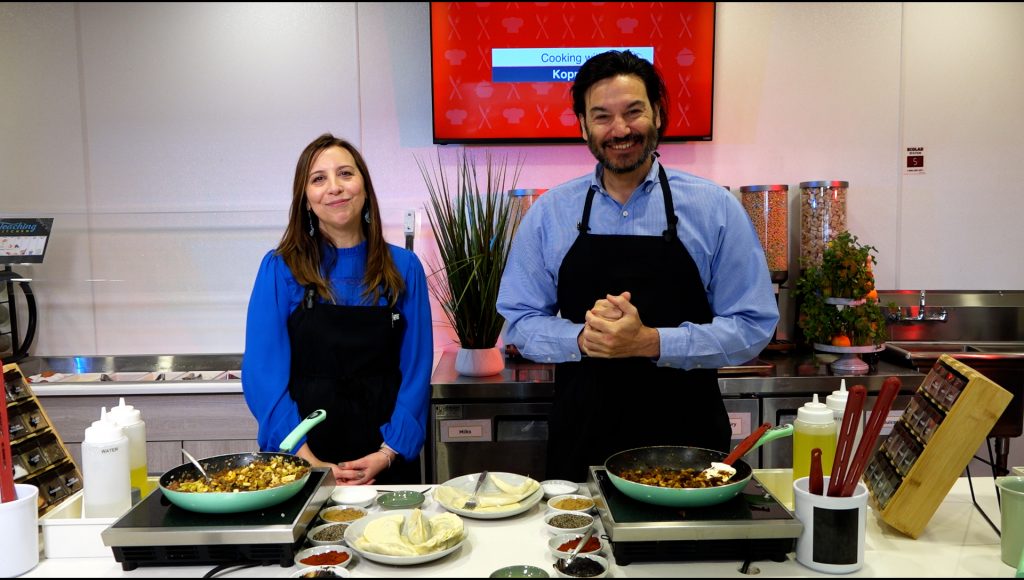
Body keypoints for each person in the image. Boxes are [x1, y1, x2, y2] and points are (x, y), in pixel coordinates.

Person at [496, 50, 779, 482]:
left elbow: (754, 325)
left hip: (687, 444)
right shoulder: (550, 212)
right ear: (583, 126)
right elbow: (518, 321)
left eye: (634, 112)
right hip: (582, 440)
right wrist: (586, 338)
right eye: (602, 116)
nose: (620, 130)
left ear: (658, 114)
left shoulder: (714, 208)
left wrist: (650, 342)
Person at [242, 133, 432, 485]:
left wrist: (387, 452)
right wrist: (307, 460)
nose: (335, 187)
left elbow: (416, 371)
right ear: (306, 200)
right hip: (304, 463)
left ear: (364, 186)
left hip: (387, 461)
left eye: (346, 173)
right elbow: (262, 375)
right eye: (319, 179)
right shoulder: (280, 269)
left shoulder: (405, 268)